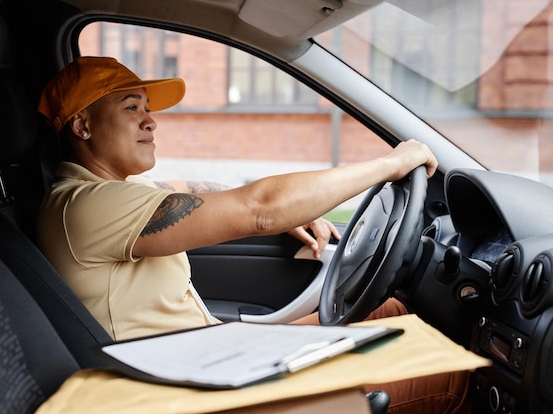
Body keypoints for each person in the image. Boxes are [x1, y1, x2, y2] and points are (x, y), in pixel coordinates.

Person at [36, 56, 470, 414]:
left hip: (207, 360)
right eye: (132, 108)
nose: (151, 120)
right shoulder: (87, 206)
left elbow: (190, 192)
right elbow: (260, 208)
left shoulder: (118, 192)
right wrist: (391, 164)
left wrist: (289, 215)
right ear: (83, 126)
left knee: (390, 310)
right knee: (453, 379)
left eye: (147, 107)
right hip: (190, 394)